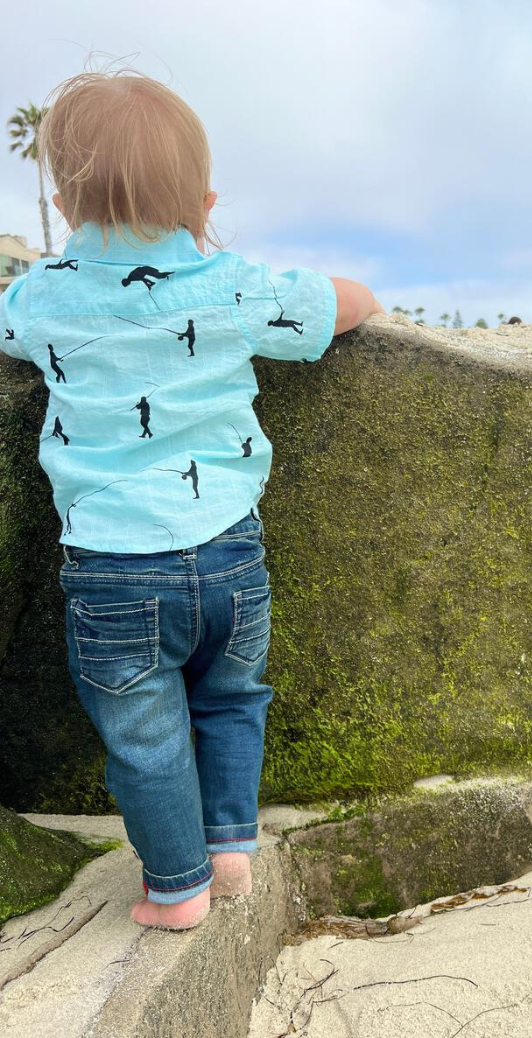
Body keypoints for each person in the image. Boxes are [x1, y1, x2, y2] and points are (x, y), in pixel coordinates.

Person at [0, 66, 386, 933]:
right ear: (205, 204)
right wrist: (353, 296)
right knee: (233, 698)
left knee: (145, 733)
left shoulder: (45, 296)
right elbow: (349, 305)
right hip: (229, 552)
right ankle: (232, 849)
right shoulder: (236, 287)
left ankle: (176, 887)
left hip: (110, 567)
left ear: (64, 205)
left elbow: (7, 322)